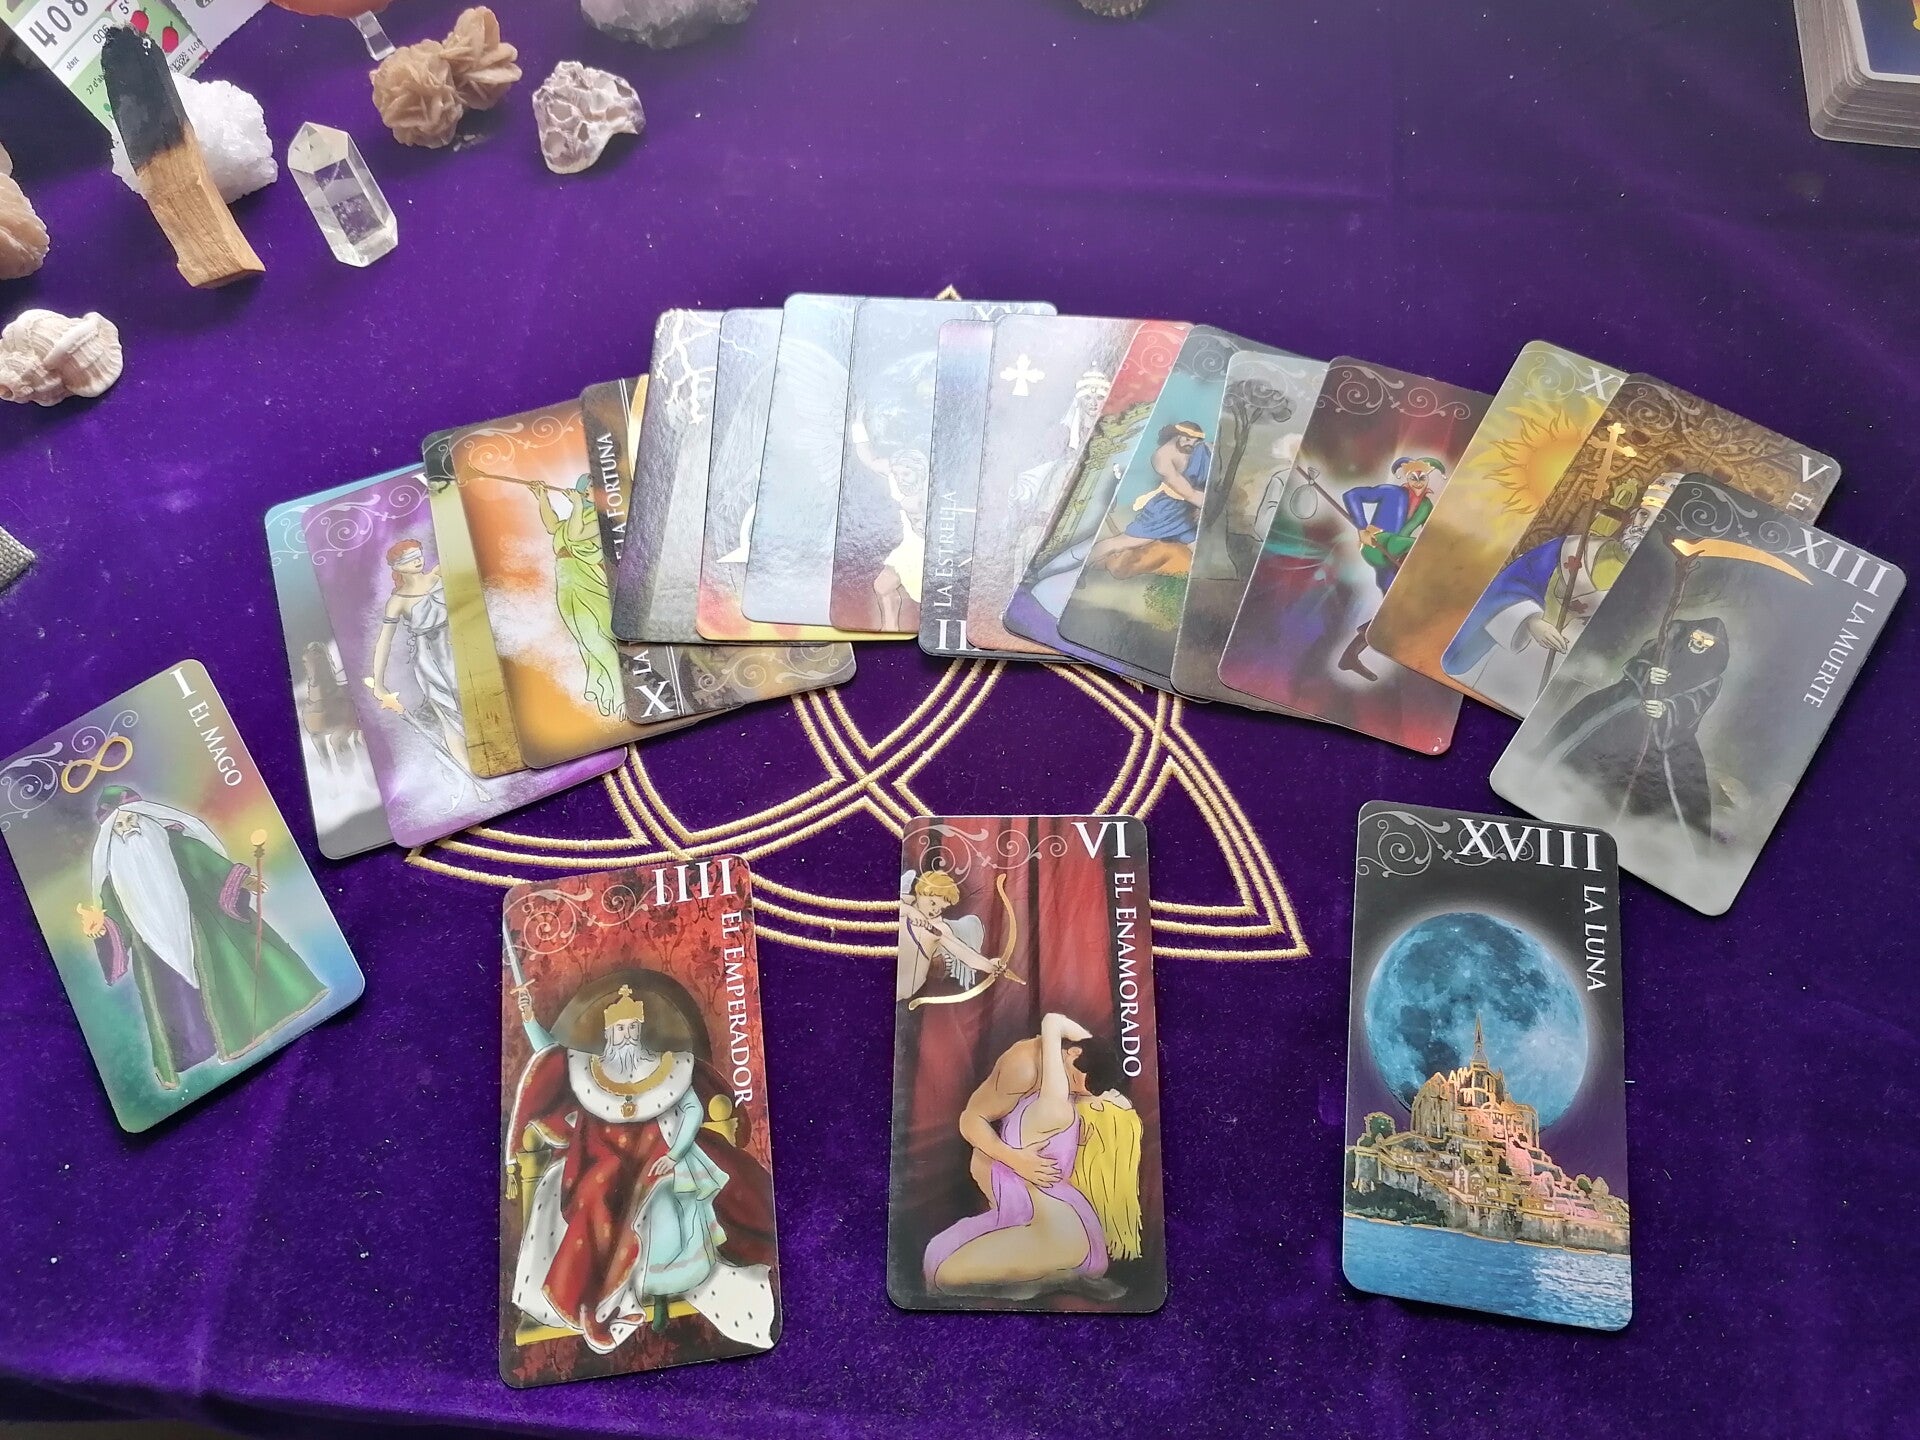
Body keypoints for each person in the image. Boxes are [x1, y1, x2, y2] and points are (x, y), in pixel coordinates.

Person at [506, 982, 777, 1353]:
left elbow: (693, 1109)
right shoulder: (589, 1070)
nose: (627, 1035)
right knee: (595, 1189)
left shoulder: (668, 1067)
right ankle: (593, 1299)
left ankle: (628, 1292)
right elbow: (553, 1056)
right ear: (609, 1033)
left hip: (657, 1153)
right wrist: (528, 1018)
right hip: (604, 1158)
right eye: (620, 1029)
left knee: (653, 1196)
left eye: (632, 1028)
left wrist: (676, 1154)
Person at [77, 785, 329, 1089]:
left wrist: (241, 879)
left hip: (203, 927)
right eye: (119, 826)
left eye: (131, 820)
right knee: (174, 1002)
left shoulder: (176, 845)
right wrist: (100, 929)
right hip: (155, 952)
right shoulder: (113, 882)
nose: (128, 829)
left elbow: (206, 863)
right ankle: (195, 1052)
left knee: (230, 976)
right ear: (110, 834)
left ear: (144, 818)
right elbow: (113, 921)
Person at [923, 1012, 1143, 1301]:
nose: (1073, 1090)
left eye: (1080, 1090)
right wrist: (1014, 1159)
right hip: (1053, 1218)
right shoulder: (1028, 1073)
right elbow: (970, 1119)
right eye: (1073, 1080)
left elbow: (1056, 1030)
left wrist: (1091, 1050)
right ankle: (1048, 1277)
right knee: (938, 1258)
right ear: (1072, 1053)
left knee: (942, 1276)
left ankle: (1052, 1279)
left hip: (1056, 1226)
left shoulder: (1059, 1103)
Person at [1443, 478, 1674, 710]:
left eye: (1656, 522)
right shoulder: (1571, 547)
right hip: (1515, 646)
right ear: (1633, 515)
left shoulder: (1648, 587)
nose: (1644, 526)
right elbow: (1508, 585)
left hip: (1563, 678)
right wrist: (1532, 621)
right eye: (1644, 515)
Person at [1539, 617, 1729, 844]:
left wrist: (1667, 709)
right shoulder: (1663, 646)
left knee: (1676, 788)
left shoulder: (1711, 679)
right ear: (1691, 633)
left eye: (1708, 641)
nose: (1700, 642)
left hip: (1667, 735)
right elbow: (1635, 665)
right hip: (1626, 705)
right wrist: (1649, 674)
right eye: (1698, 636)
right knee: (1582, 738)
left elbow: (1695, 703)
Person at [364, 539, 470, 779]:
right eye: (409, 558)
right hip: (430, 660)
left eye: (418, 554)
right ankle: (472, 779)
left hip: (459, 645)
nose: (417, 560)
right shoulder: (397, 601)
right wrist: (378, 682)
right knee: (449, 719)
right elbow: (384, 642)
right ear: (396, 567)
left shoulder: (439, 574)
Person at [1335, 456, 1445, 680]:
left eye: (1422, 477)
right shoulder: (1391, 492)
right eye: (1413, 477)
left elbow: (1431, 535)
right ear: (1406, 477)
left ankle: (1352, 653)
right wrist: (1361, 528)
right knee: (1410, 545)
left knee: (1394, 613)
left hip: (1396, 559)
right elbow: (1352, 495)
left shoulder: (1426, 506)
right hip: (1378, 545)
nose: (1417, 482)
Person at [535, 477, 622, 718]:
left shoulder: (602, 518)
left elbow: (575, 536)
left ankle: (619, 691)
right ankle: (606, 690)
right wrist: (542, 497)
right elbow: (553, 526)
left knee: (597, 637)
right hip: (567, 580)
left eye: (596, 486)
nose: (592, 489)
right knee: (584, 639)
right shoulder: (578, 516)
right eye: (589, 485)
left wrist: (575, 505)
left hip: (589, 580)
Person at [1088, 422, 1212, 572]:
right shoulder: (1162, 457)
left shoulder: (1201, 450)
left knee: (1200, 550)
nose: (1191, 444)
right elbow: (1187, 492)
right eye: (1188, 439)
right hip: (1166, 511)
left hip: (1188, 510)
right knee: (1123, 542)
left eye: (1195, 441)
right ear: (1178, 434)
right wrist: (1210, 505)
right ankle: (1083, 564)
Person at [849, 415, 928, 630]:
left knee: (933, 596)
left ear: (919, 471)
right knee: (883, 586)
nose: (900, 478)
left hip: (934, 548)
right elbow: (869, 459)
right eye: (897, 473)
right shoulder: (897, 473)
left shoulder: (929, 488)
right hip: (912, 545)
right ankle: (890, 629)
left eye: (906, 474)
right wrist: (857, 424)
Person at [896, 869, 998, 1001]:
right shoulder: (904, 903)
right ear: (920, 892)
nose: (935, 910)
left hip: (904, 984)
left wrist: (989, 966)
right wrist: (910, 911)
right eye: (933, 903)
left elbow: (964, 953)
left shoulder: (938, 929)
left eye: (941, 908)